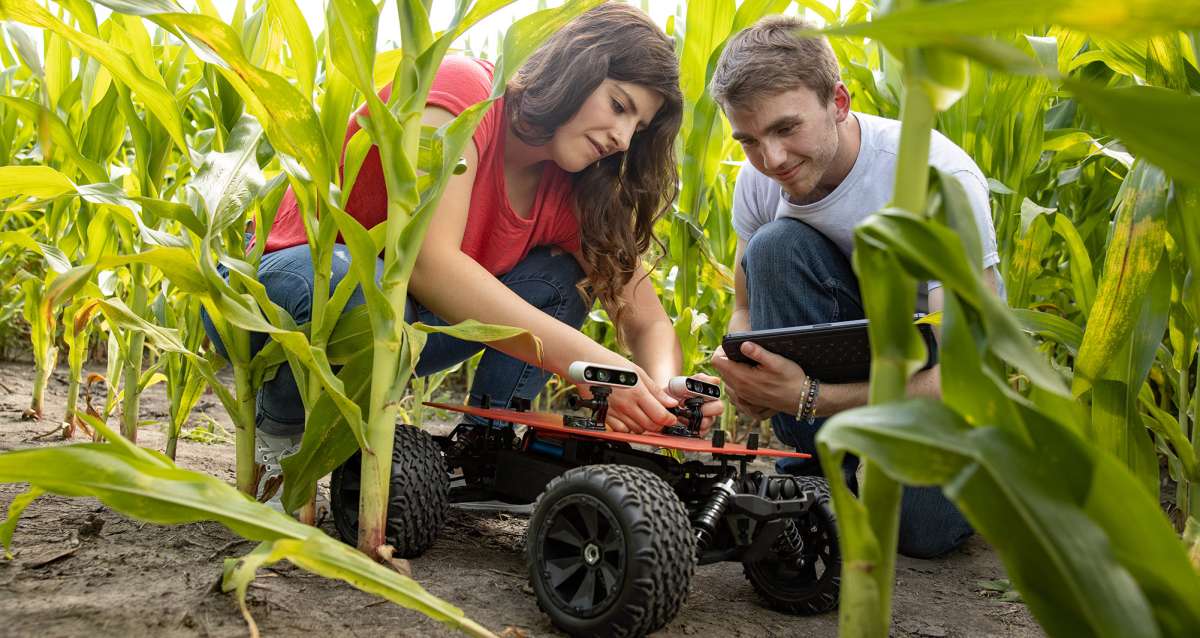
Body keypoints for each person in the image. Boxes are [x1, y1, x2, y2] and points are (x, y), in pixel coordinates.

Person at [204, 3, 720, 504]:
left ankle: (485, 451)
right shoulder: (464, 93)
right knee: (359, 283)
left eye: (639, 128)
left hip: (403, 333)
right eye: (619, 105)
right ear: (577, 67)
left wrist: (662, 393)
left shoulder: (575, 192)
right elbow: (429, 264)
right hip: (280, 303)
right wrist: (595, 365)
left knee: (563, 280)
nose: (623, 139)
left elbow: (646, 321)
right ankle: (282, 439)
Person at [707, 15, 1001, 559]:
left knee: (921, 535)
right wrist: (746, 375)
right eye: (748, 139)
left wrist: (807, 398)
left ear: (837, 102)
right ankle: (822, 480)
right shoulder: (758, 181)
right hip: (843, 355)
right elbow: (744, 309)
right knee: (774, 245)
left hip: (934, 377)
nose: (770, 159)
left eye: (786, 129)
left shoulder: (935, 180)